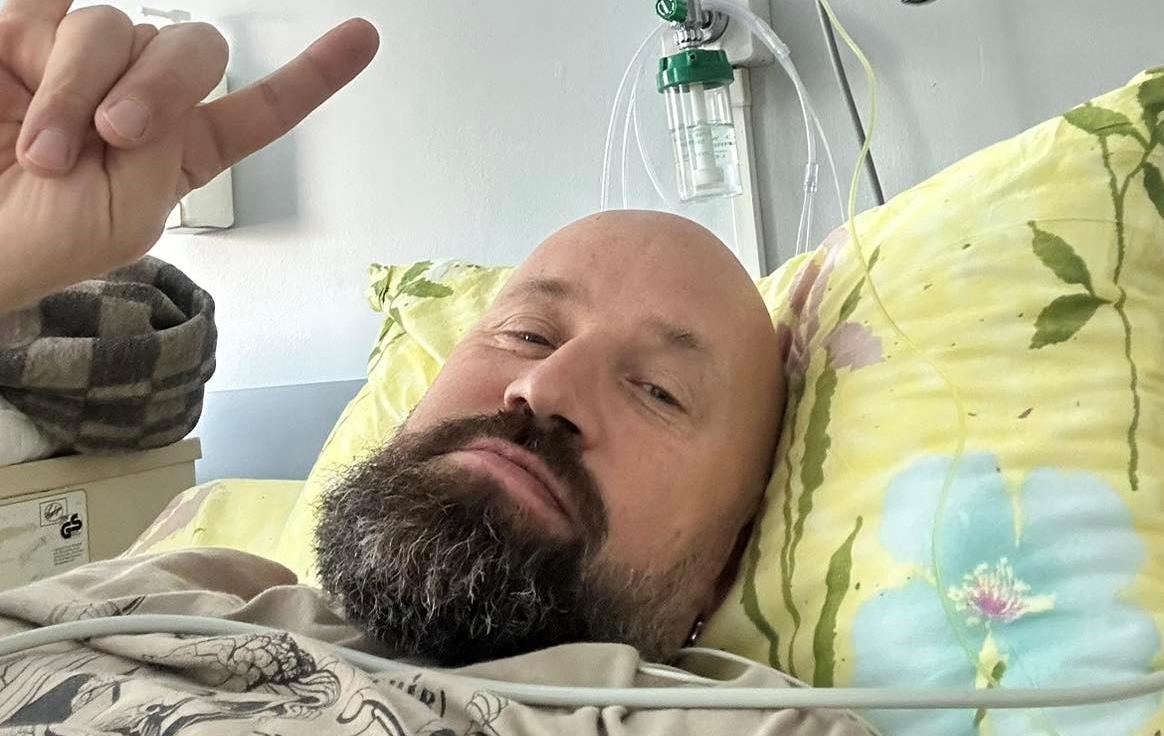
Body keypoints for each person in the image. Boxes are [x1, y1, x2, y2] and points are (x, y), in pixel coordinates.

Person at [0, 3, 873, 733]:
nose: (543, 387)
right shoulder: (166, 592)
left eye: (659, 391)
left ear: (722, 569)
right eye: (527, 335)